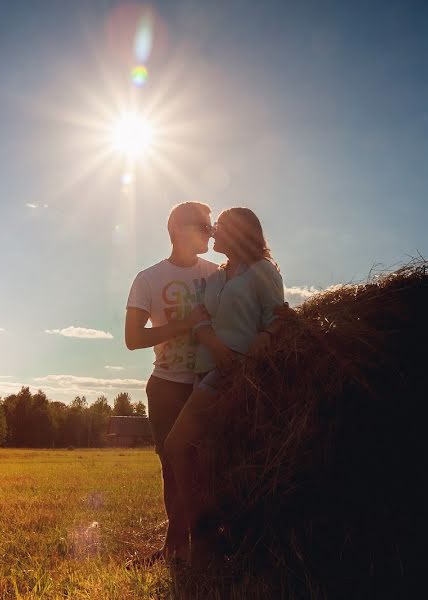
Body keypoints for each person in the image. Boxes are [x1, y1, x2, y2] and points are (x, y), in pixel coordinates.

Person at [162, 206, 286, 567]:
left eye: (221, 227)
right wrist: (214, 346)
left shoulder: (263, 271)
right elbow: (200, 321)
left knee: (176, 444)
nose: (213, 231)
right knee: (206, 457)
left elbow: (277, 319)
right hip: (207, 368)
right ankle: (206, 543)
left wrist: (261, 340)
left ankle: (200, 541)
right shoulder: (216, 277)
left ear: (240, 234)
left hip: (236, 374)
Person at [125, 201, 218, 563]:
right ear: (179, 229)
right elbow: (133, 338)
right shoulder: (148, 278)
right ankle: (178, 548)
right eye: (204, 227)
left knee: (206, 463)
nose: (211, 233)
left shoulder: (216, 273)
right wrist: (185, 323)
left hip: (208, 382)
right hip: (165, 386)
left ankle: (199, 544)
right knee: (172, 467)